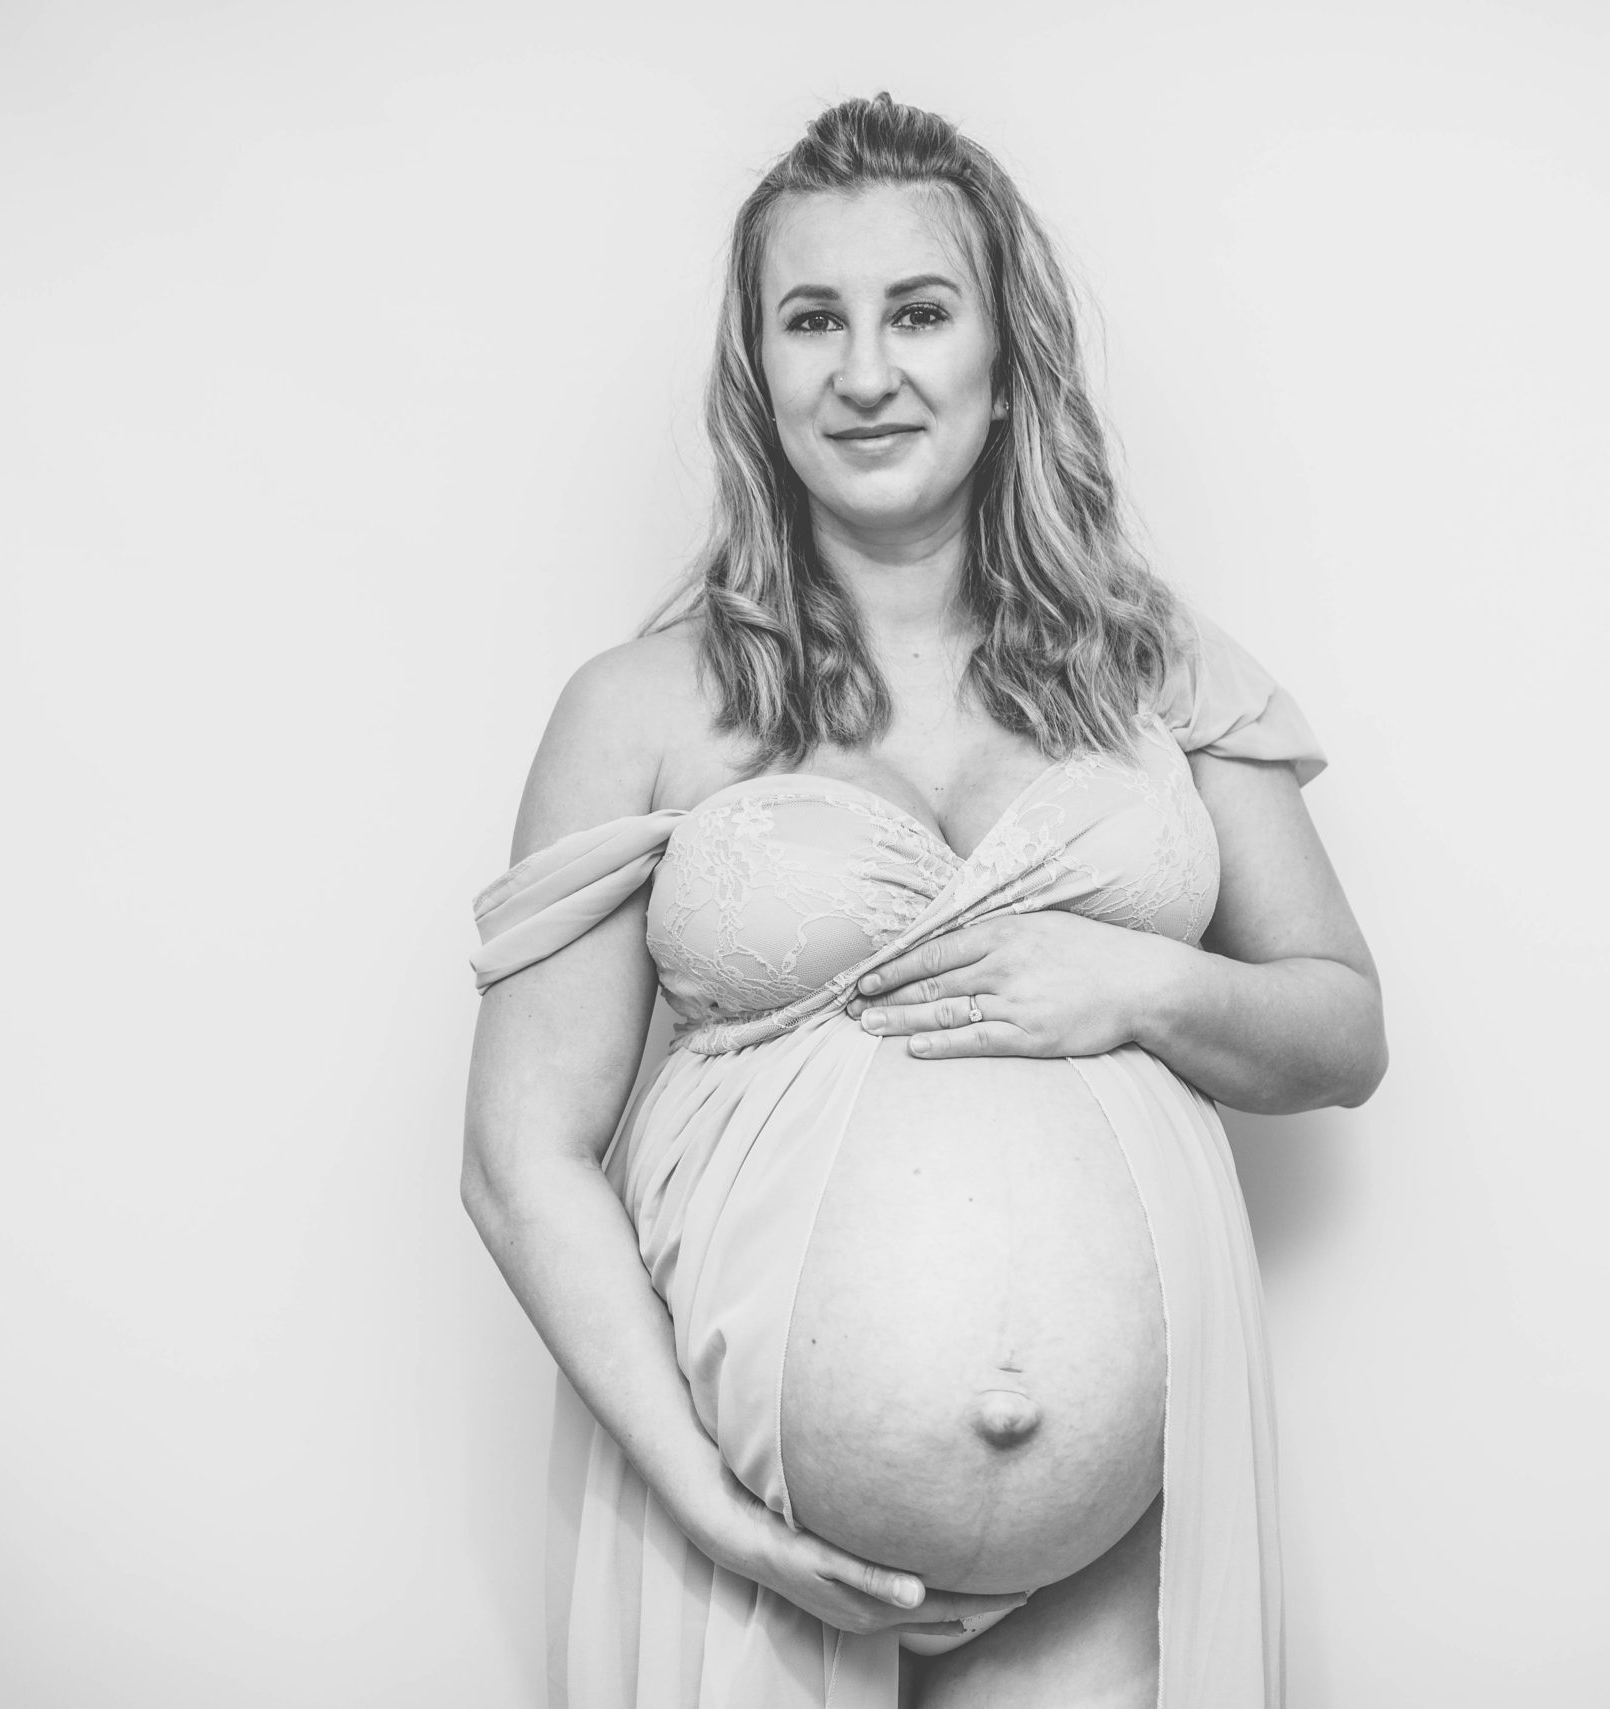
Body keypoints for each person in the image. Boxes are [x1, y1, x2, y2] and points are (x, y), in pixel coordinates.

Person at [461, 93, 1383, 1709]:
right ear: (758, 372)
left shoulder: (1157, 669)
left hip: (1109, 1559)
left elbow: (1342, 1025)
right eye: (813, 319)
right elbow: (520, 1154)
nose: (866, 370)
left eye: (919, 311)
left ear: (1006, 357)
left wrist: (1140, 984)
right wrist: (711, 1503)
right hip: (741, 1543)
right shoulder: (640, 706)